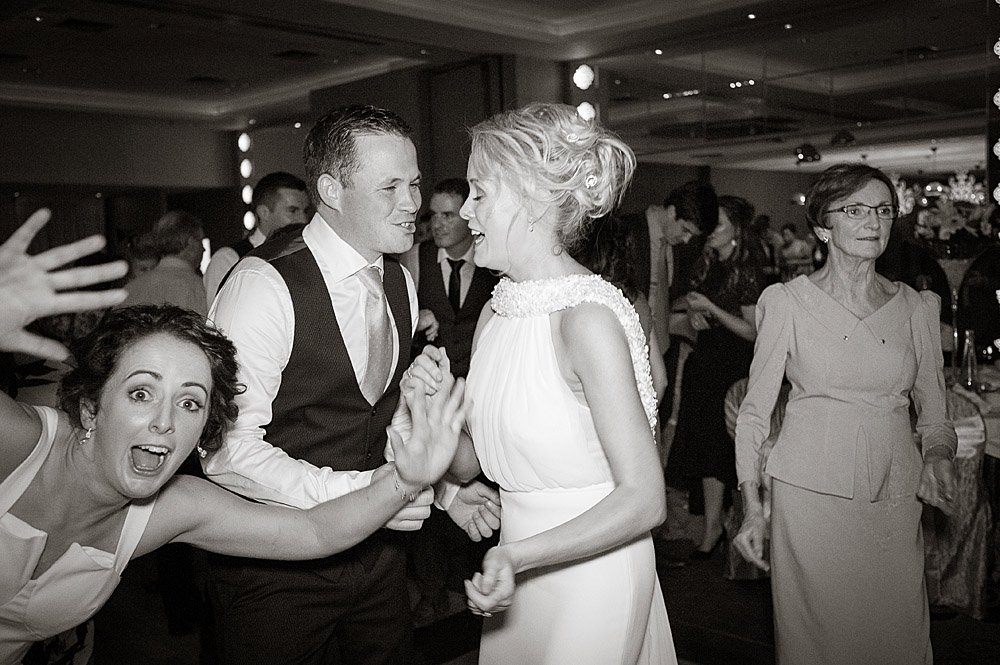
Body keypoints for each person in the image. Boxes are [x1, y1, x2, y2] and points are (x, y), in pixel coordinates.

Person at [0, 208, 467, 665]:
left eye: (190, 402)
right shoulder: (20, 443)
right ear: (89, 407)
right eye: (141, 393)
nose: (165, 422)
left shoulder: (173, 508)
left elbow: (314, 530)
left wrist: (406, 480)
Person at [202, 105, 499, 665]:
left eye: (413, 184)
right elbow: (226, 451)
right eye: (390, 187)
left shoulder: (400, 282)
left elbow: (381, 418)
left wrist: (440, 491)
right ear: (331, 191)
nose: (412, 203)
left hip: (381, 562)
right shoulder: (262, 285)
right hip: (278, 569)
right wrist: (365, 498)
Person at [414, 102, 676, 664]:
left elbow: (645, 499)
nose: (467, 212)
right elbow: (477, 463)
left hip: (594, 575)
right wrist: (436, 413)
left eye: (480, 193)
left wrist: (520, 556)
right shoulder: (497, 311)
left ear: (533, 198)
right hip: (514, 567)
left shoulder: (587, 319)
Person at [733, 163, 958, 664]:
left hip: (896, 495)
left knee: (898, 637)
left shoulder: (916, 307)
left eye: (883, 210)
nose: (873, 221)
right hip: (809, 497)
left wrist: (938, 455)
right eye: (855, 210)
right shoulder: (787, 302)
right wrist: (752, 507)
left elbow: (935, 416)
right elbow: (754, 415)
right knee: (820, 642)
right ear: (822, 227)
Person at [400, 177, 502, 623]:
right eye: (434, 215)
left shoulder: (494, 261)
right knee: (429, 488)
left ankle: (477, 576)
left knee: (480, 482)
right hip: (430, 397)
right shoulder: (414, 259)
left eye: (448, 215)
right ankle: (431, 589)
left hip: (478, 397)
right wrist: (414, 321)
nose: (437, 224)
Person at [666, 195, 764, 559]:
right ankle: (712, 524)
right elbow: (687, 302)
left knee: (719, 447)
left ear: (736, 229)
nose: (710, 231)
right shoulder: (707, 261)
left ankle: (717, 527)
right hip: (705, 359)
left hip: (731, 364)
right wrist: (695, 314)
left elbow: (753, 330)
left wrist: (711, 309)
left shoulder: (748, 268)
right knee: (703, 445)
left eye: (718, 224)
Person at [202, 171, 310, 300]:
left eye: (305, 211)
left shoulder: (305, 255)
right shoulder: (228, 259)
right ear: (264, 213)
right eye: (293, 211)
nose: (303, 219)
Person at [119, 211, 208, 317]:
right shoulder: (195, 288)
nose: (203, 249)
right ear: (191, 242)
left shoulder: (129, 290)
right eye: (201, 241)